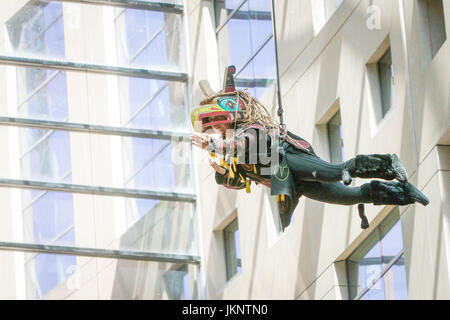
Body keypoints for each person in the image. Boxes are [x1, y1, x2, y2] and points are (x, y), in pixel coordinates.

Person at [190, 67, 429, 231]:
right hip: (292, 183)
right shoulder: (235, 156)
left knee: (336, 172)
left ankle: (387, 163)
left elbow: (241, 144)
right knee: (351, 196)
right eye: (213, 125)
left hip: (288, 159)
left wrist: (213, 145)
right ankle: (403, 193)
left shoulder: (252, 129)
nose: (216, 127)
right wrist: (221, 174)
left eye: (217, 120)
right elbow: (239, 181)